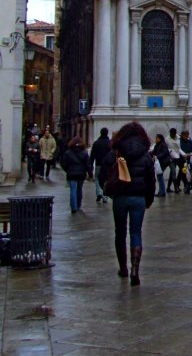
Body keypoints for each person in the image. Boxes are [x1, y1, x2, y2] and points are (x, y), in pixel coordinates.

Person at [99, 122, 155, 286]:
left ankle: (123, 268)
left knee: (120, 232)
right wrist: (149, 199)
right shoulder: (145, 154)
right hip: (138, 198)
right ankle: (135, 270)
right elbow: (150, 180)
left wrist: (108, 189)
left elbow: (103, 173)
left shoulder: (115, 152)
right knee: (136, 232)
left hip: (120, 197)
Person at [61, 136, 93, 214]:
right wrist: (90, 173)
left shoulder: (68, 152)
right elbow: (88, 164)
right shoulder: (84, 152)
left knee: (73, 190)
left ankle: (73, 207)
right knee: (79, 189)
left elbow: (63, 163)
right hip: (81, 174)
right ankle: (78, 205)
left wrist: (67, 170)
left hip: (71, 173)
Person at [90, 127, 112, 203]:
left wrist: (90, 166)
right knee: (106, 179)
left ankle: (99, 192)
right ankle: (105, 196)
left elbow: (92, 155)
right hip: (108, 165)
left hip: (98, 164)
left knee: (97, 178)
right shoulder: (110, 143)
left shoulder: (96, 143)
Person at [166, 127, 184, 193]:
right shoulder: (167, 139)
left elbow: (179, 148)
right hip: (170, 158)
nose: (172, 135)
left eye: (173, 133)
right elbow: (166, 148)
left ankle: (168, 188)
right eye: (171, 133)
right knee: (173, 172)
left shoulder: (178, 138)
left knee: (172, 173)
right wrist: (170, 151)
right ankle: (176, 187)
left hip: (177, 157)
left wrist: (183, 154)